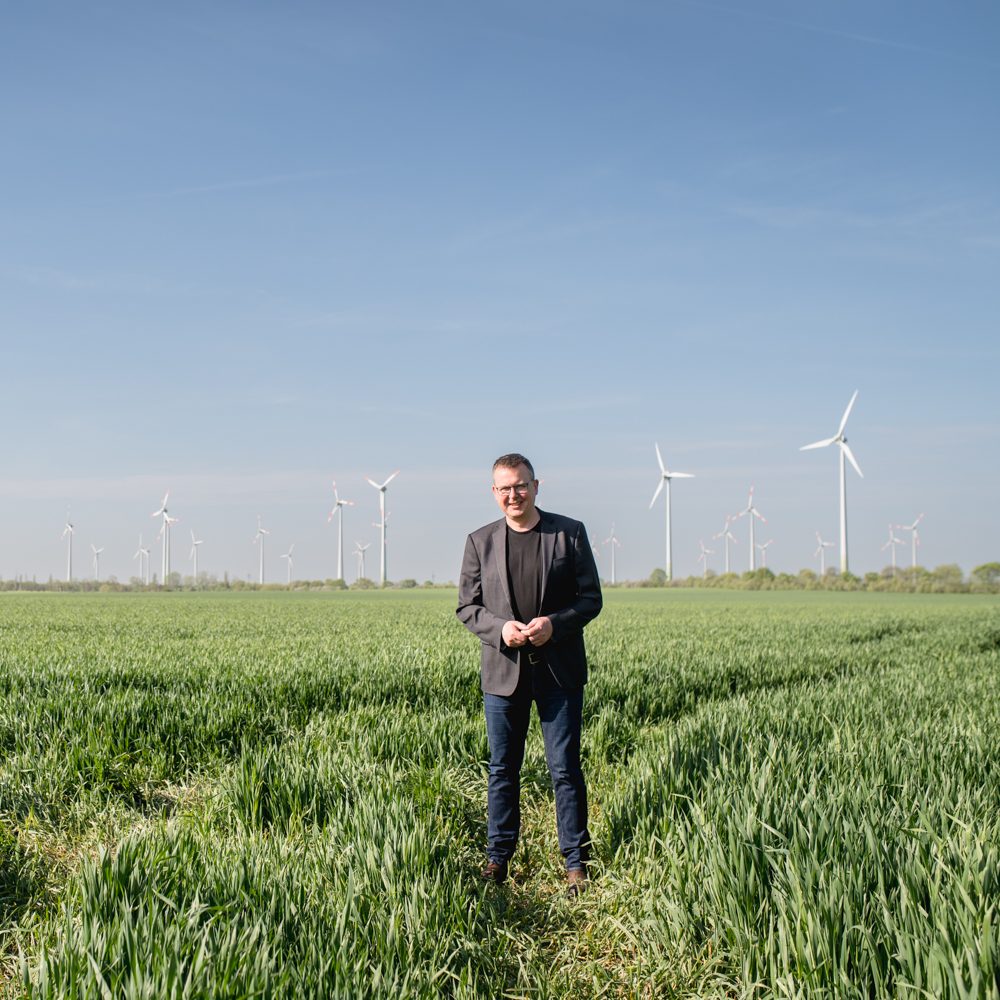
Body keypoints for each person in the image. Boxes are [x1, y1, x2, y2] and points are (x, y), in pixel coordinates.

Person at [456, 453, 602, 896]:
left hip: (559, 672)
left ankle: (576, 861)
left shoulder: (569, 533)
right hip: (504, 674)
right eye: (504, 488)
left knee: (565, 769)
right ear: (494, 493)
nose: (513, 495)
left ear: (536, 486)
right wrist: (502, 630)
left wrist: (553, 625)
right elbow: (467, 608)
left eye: (520, 485)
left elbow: (590, 598)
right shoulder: (479, 541)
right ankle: (498, 857)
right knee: (503, 768)